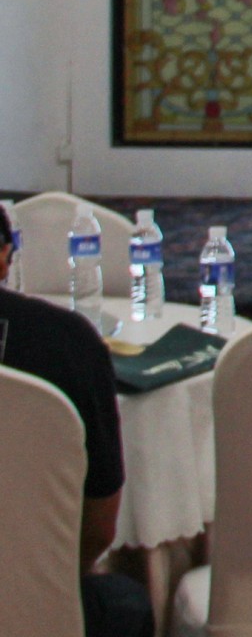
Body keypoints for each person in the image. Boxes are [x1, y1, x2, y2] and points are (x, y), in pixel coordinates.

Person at [0, 204, 155, 637]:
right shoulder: (69, 343)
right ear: (4, 257)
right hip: (33, 606)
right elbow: (99, 527)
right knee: (125, 602)